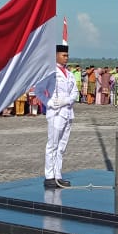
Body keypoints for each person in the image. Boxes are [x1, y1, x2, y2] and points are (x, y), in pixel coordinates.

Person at [37, 44, 80, 189]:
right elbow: (39, 91)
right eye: (63, 55)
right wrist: (48, 102)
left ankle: (58, 175)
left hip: (67, 112)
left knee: (62, 146)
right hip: (55, 113)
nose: (66, 58)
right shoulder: (50, 73)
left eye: (67, 55)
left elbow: (75, 92)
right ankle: (49, 176)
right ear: (55, 55)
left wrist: (66, 100)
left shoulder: (70, 74)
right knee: (53, 145)